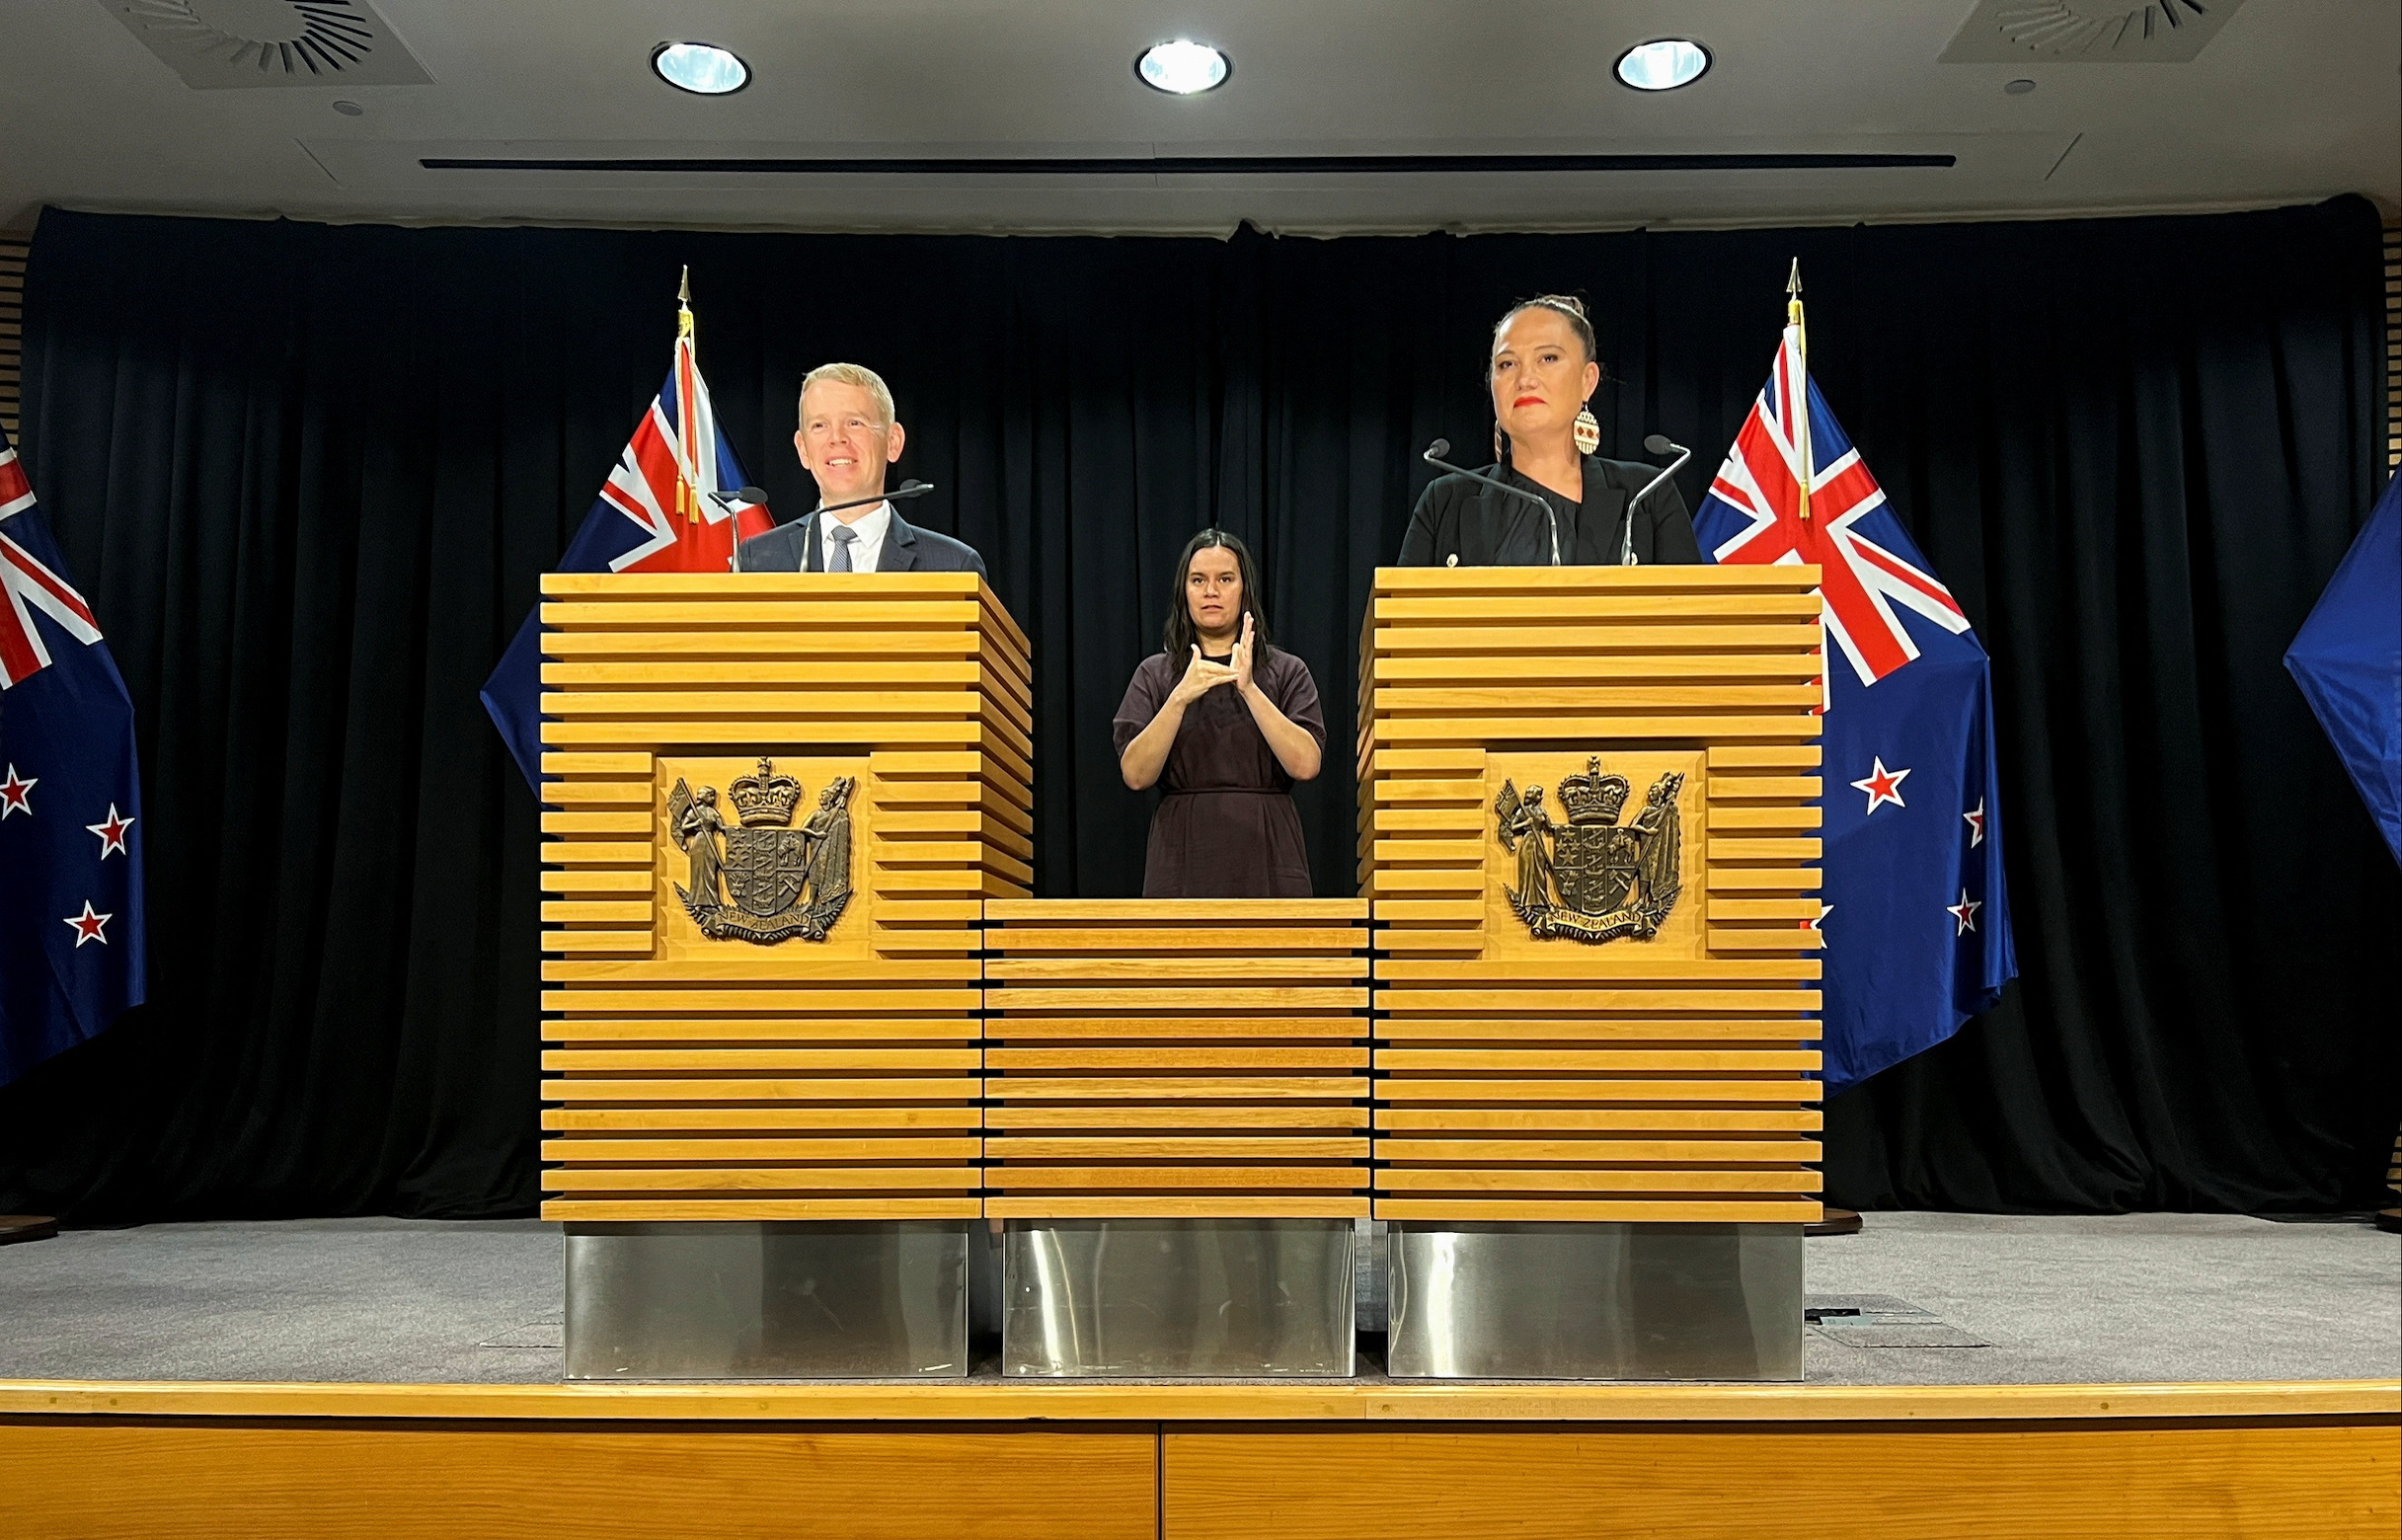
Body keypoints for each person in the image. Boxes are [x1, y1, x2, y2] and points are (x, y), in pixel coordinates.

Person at [1399, 294, 1702, 568]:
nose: (1525, 379)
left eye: (1548, 358)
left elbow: (1692, 620)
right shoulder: (1444, 502)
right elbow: (1400, 624)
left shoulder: (1647, 495)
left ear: (1588, 380)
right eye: (1507, 364)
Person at [1114, 530, 1325, 898]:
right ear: (1185, 591)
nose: (1211, 591)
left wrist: (1249, 689)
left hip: (1269, 851)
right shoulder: (1155, 673)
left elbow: (1306, 764)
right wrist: (1178, 699)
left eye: (1225, 579)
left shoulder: (1287, 671)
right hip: (1181, 856)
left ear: (1245, 589)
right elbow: (1134, 774)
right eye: (1199, 580)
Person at [733, 362, 986, 574]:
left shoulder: (952, 566)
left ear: (893, 442)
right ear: (802, 449)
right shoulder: (757, 561)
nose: (837, 438)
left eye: (854, 423)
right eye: (820, 425)